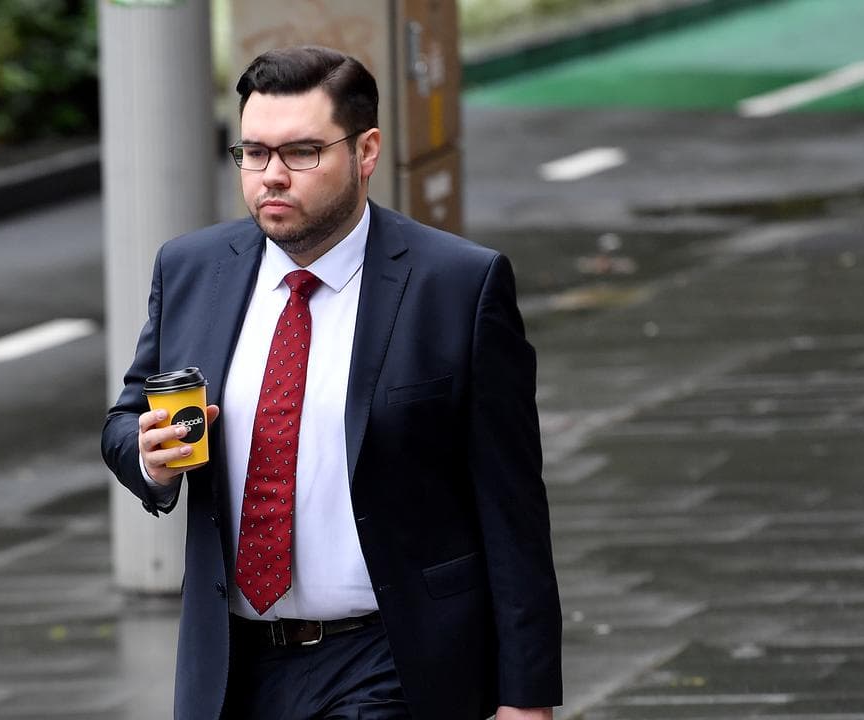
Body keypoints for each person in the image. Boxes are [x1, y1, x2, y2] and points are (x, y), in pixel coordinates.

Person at [102, 45, 561, 720]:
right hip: (232, 665)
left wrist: (526, 698)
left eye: (302, 153)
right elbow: (127, 417)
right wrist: (147, 457)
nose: (272, 177)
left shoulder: (457, 285)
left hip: (392, 658)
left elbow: (512, 505)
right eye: (254, 153)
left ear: (366, 150)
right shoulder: (191, 269)